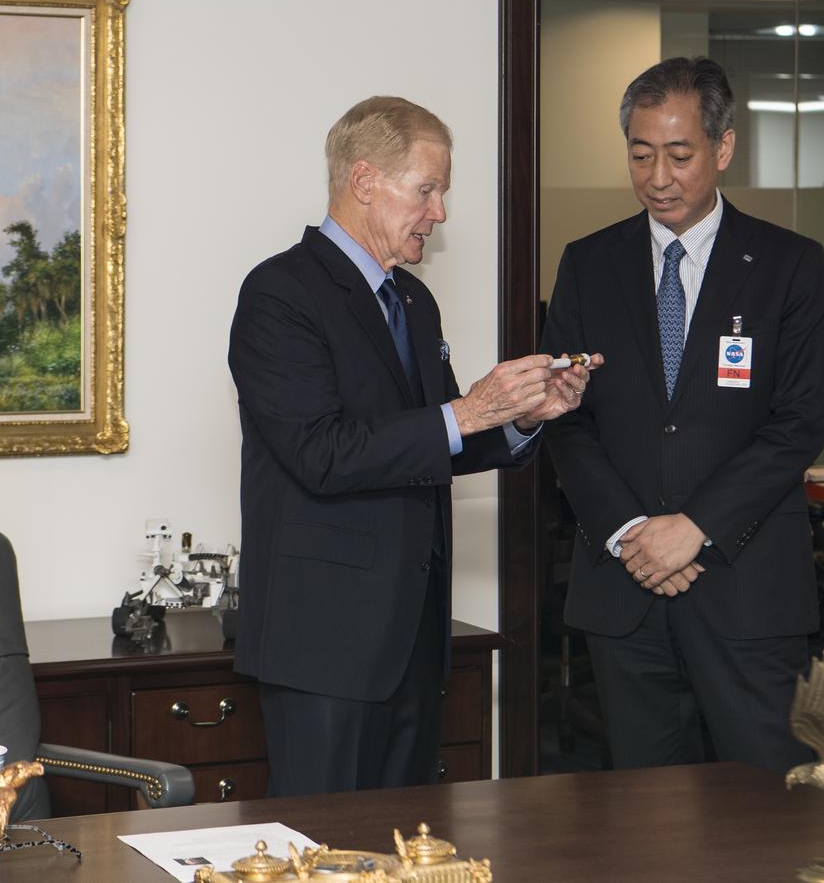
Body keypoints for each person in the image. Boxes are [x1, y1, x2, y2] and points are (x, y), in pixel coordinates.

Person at [229, 96, 596, 796]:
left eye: (442, 193)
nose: (441, 212)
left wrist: (521, 417)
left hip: (414, 645)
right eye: (428, 190)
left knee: (407, 849)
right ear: (364, 181)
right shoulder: (280, 294)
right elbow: (322, 453)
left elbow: (443, 442)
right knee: (323, 854)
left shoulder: (412, 301)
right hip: (324, 647)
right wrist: (470, 408)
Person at [540, 57, 824, 773]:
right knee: (644, 826)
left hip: (746, 595)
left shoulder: (788, 265)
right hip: (624, 596)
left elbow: (796, 423)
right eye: (641, 155)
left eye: (679, 154)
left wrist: (695, 530)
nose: (658, 177)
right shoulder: (589, 264)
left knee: (763, 815)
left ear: (723, 148)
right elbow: (564, 418)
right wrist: (634, 534)